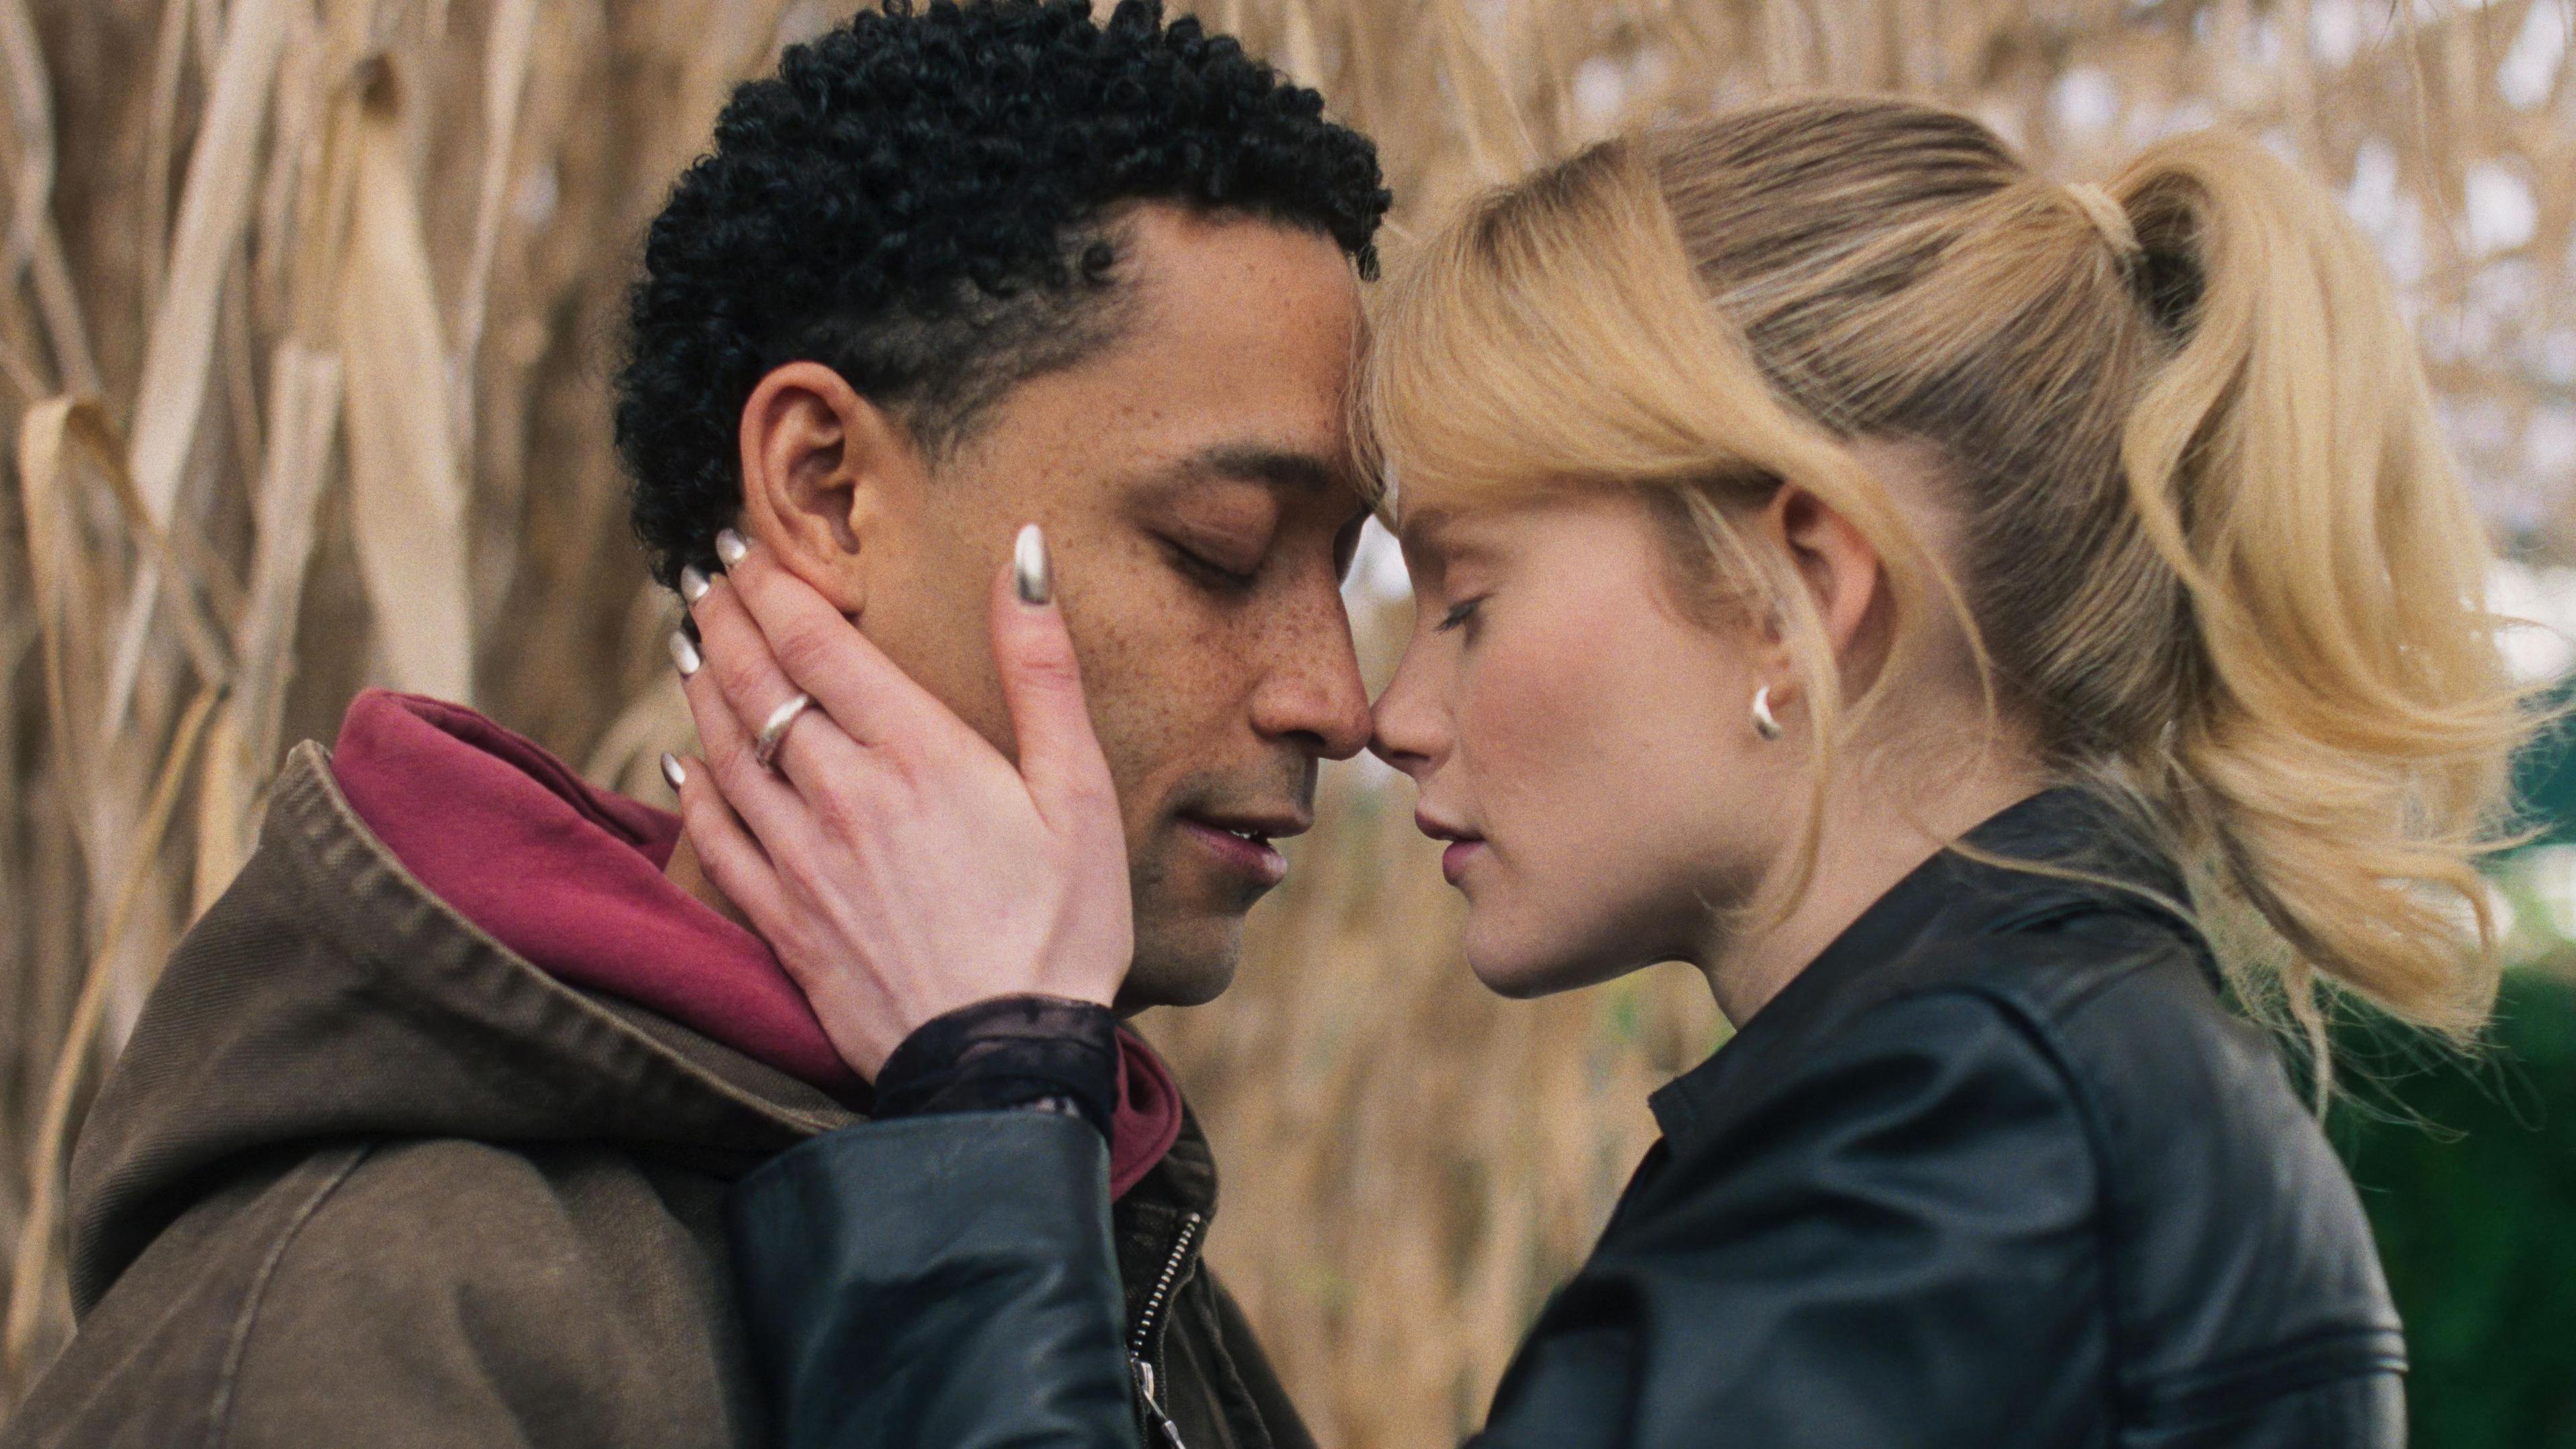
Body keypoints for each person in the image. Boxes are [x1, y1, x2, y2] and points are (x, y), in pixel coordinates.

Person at [669, 97, 2537, 1446]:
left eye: (1464, 600)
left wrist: (986, 1094)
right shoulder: (2002, 1102)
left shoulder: (1969, 1160)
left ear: (1802, 589)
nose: (1383, 712)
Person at [0, 3, 1385, 1446]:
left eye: (1347, 571)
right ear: (827, 487)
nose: (1334, 699)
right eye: (1217, 549)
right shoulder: (372, 1317)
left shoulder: (1108, 1226)